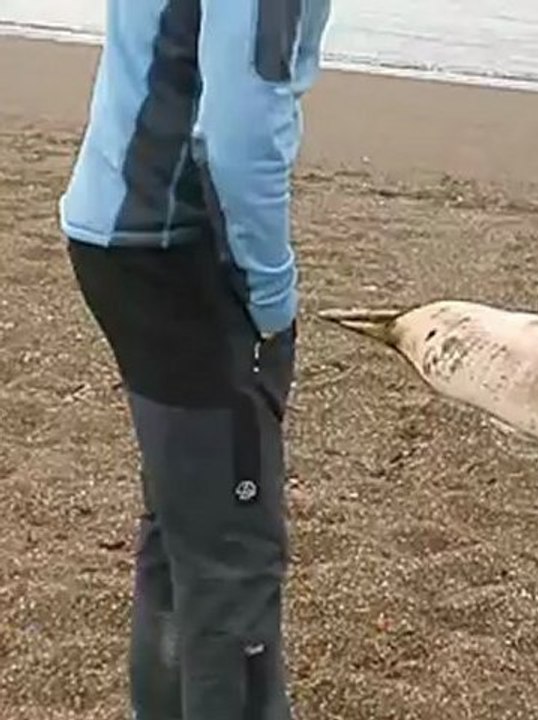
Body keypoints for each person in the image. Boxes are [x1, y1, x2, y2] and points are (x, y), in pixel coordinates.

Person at [58, 0, 332, 717]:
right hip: (175, 246)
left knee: (182, 533)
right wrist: (271, 295)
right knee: (232, 562)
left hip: (111, 226)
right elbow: (240, 128)